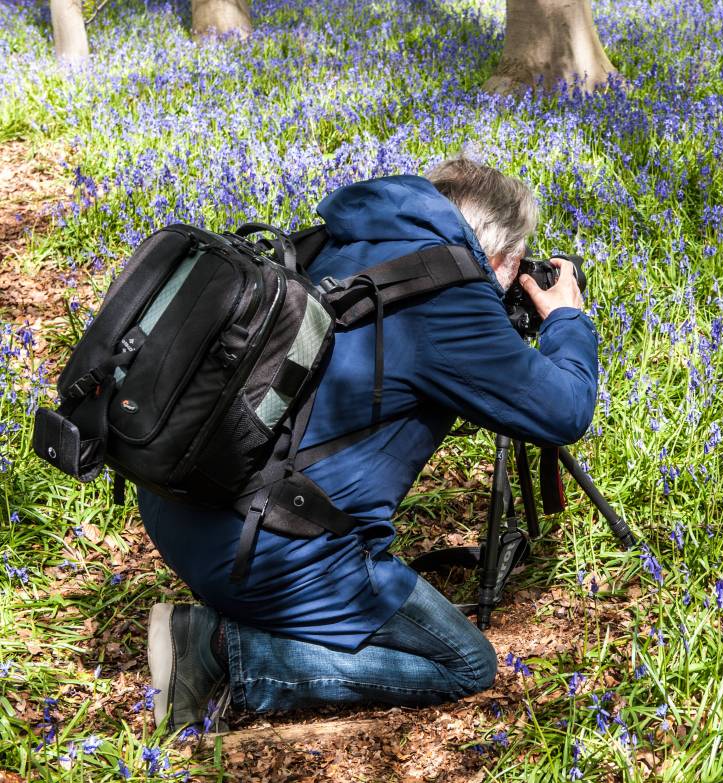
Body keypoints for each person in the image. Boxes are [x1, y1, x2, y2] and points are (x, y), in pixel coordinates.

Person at [138, 158, 599, 732]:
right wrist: (567, 322)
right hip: (262, 555)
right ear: (500, 254)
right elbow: (565, 410)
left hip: (179, 500)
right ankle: (214, 650)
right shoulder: (451, 299)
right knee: (466, 664)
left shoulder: (341, 239)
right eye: (516, 262)